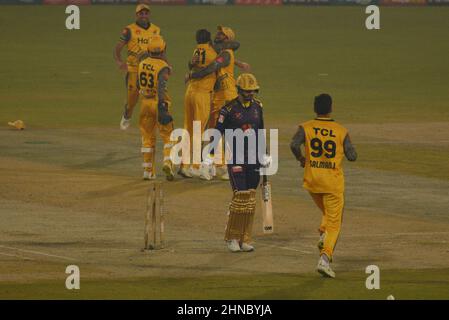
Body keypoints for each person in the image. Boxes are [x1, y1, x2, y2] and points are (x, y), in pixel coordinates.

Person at [290, 94, 357, 278]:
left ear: (315, 108)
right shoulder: (341, 131)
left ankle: (322, 234)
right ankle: (325, 259)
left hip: (313, 182)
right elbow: (352, 156)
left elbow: (294, 144)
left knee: (328, 214)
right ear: (331, 108)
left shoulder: (306, 127)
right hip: (333, 184)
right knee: (335, 223)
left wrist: (302, 159)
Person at [203, 73, 271, 252]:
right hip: (236, 159)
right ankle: (232, 237)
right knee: (239, 198)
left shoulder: (258, 107)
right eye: (246, 91)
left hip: (254, 159)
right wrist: (208, 157)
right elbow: (217, 133)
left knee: (250, 200)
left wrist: (265, 155)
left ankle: (245, 238)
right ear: (239, 90)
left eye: (252, 91)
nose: (250, 94)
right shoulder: (228, 110)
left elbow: (261, 132)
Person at [188, 26, 250, 181]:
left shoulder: (226, 53)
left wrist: (192, 75)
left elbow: (213, 66)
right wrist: (240, 63)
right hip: (221, 97)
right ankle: (211, 166)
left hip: (226, 97)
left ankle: (219, 165)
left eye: (222, 34)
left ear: (227, 38)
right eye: (218, 32)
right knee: (220, 132)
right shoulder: (222, 51)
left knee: (220, 132)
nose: (218, 34)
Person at [114, 4, 161, 131]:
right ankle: (127, 114)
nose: (144, 16)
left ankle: (152, 122)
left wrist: (165, 64)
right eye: (141, 13)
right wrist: (119, 61)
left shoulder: (156, 30)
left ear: (149, 14)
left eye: (146, 13)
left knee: (152, 96)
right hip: (133, 69)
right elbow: (118, 47)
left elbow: (160, 48)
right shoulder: (129, 30)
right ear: (137, 15)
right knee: (132, 99)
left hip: (150, 69)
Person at [178, 29, 217, 178]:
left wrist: (190, 70)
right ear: (209, 40)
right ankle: (194, 166)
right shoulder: (213, 53)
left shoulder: (196, 50)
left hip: (190, 93)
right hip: (202, 95)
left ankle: (184, 165)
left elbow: (192, 64)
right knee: (198, 131)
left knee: (188, 129)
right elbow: (209, 70)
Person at [137, 35, 175, 181]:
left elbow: (139, 84)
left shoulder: (142, 63)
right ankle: (167, 162)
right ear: (164, 49)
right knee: (168, 136)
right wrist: (162, 107)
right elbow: (161, 87)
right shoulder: (162, 67)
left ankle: (147, 170)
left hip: (145, 104)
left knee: (147, 137)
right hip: (158, 103)